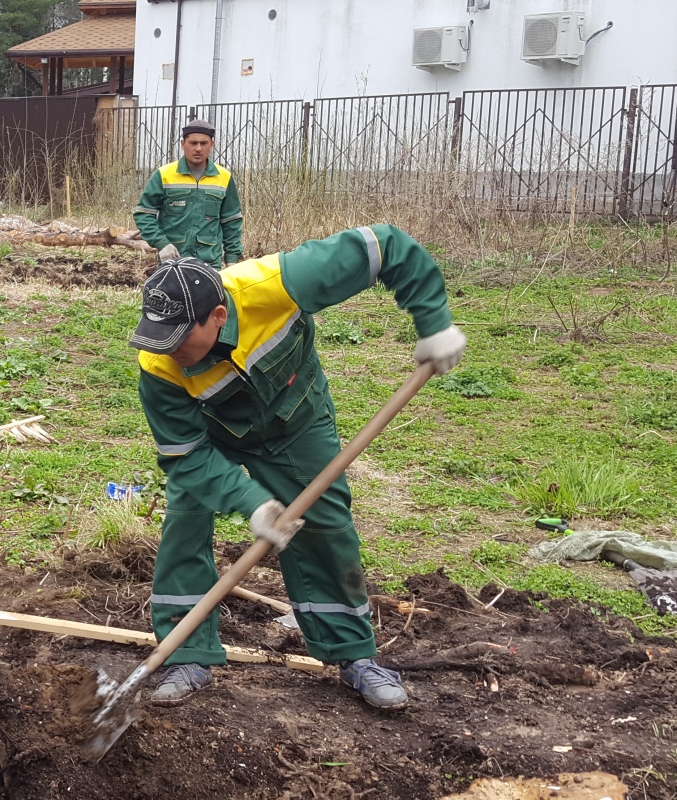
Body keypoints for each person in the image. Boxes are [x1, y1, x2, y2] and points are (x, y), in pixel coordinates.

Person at [129, 225, 467, 708]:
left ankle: (353, 656)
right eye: (159, 338)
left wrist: (433, 321)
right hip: (213, 436)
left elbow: (385, 246)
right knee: (185, 520)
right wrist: (253, 505)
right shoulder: (159, 365)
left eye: (180, 338)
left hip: (297, 421)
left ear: (218, 315)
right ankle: (185, 656)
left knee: (326, 524)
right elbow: (186, 458)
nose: (168, 349)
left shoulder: (276, 283)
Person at [134, 118, 243, 267]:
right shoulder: (164, 174)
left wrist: (232, 259)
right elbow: (144, 213)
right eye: (193, 143)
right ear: (183, 144)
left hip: (209, 263)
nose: (198, 148)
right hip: (173, 260)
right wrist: (162, 244)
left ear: (212, 145)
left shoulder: (224, 177)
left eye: (204, 143)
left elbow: (231, 221)